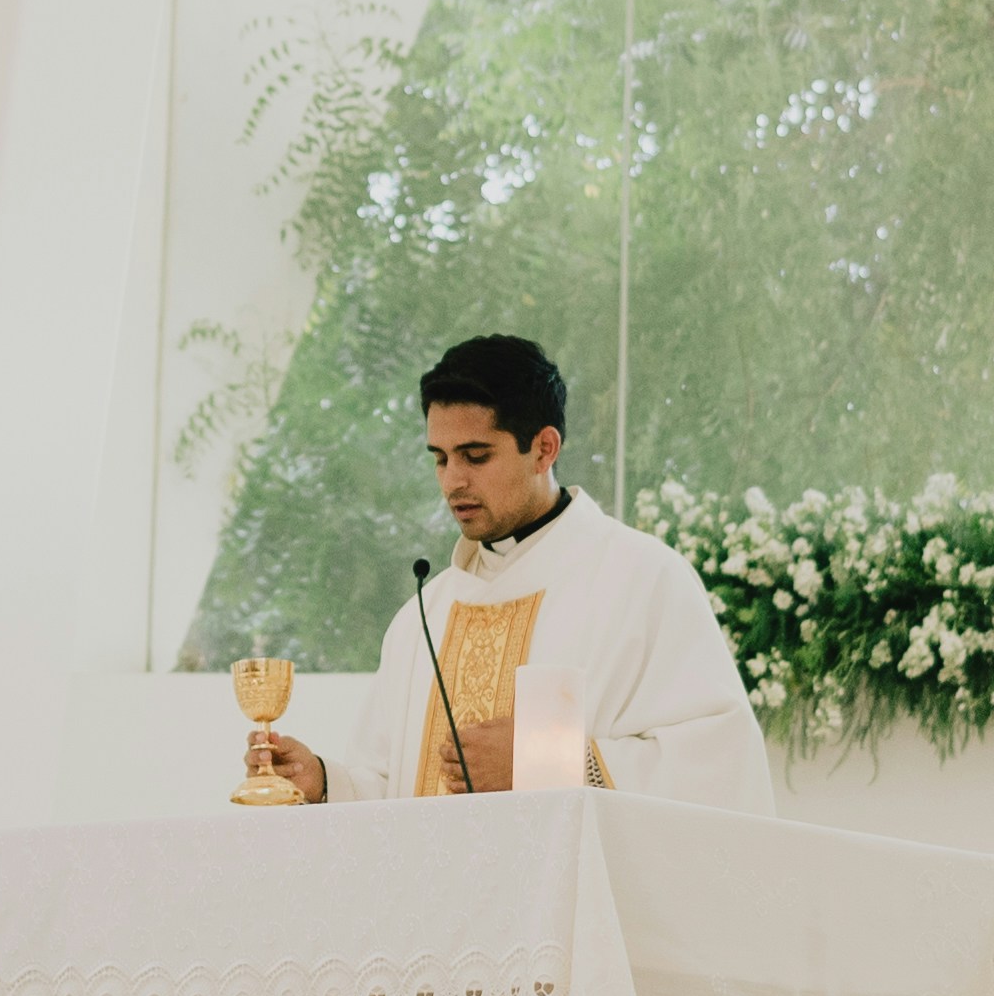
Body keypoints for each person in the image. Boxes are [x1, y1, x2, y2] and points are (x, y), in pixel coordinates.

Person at [241, 333, 781, 813]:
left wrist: (547, 761)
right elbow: (394, 787)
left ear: (544, 448)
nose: (453, 482)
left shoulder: (643, 581)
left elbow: (720, 767)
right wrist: (323, 780)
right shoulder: (422, 618)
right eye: (440, 458)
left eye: (476, 456)